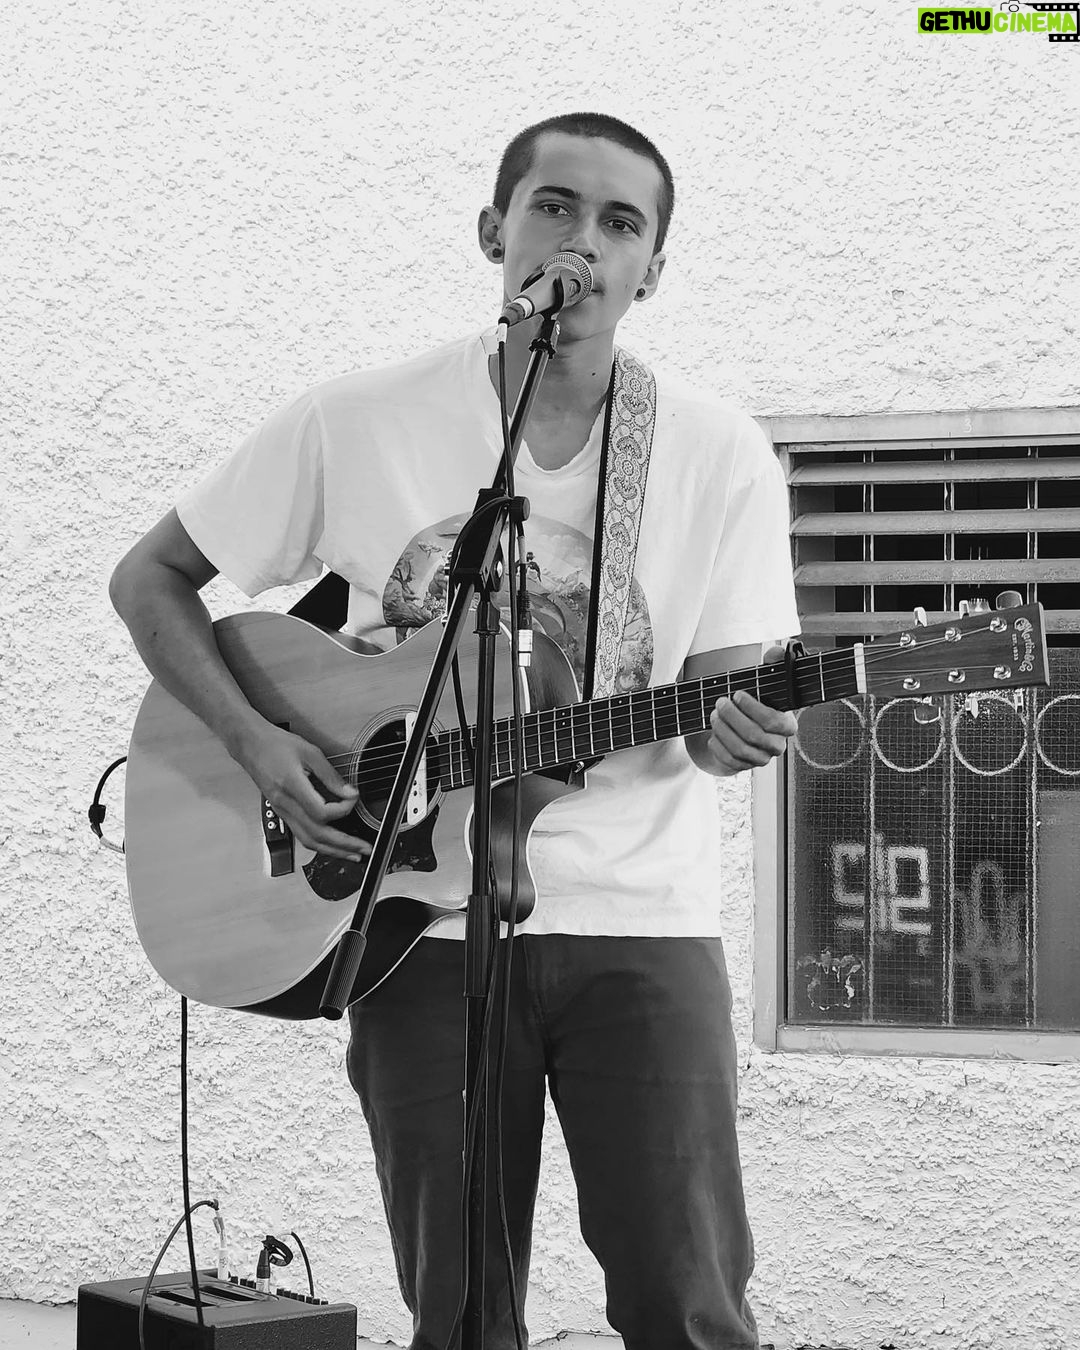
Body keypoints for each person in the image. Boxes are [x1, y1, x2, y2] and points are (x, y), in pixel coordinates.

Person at [110, 112, 800, 1350]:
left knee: (689, 1308)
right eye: (555, 206)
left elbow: (711, 716)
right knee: (464, 1318)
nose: (582, 241)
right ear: (496, 230)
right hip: (418, 925)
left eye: (621, 223)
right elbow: (150, 579)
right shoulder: (357, 421)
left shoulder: (718, 454)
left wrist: (737, 730)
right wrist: (261, 743)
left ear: (653, 269)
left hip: (642, 923)